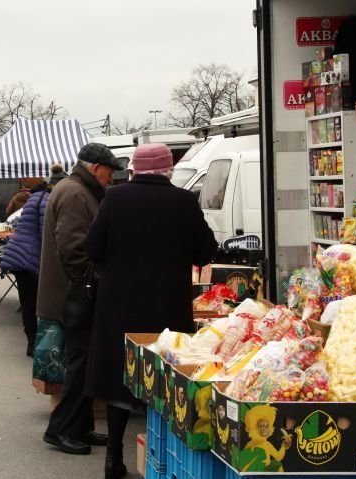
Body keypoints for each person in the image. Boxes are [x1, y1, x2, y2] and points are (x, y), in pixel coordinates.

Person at [84, 143, 217, 478]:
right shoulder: (184, 201)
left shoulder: (114, 197)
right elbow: (205, 251)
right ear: (168, 169)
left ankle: (113, 458)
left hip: (119, 302)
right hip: (167, 303)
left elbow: (92, 247)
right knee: (167, 375)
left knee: (120, 377)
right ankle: (168, 455)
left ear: (135, 169)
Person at [39, 143, 122, 455]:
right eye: (109, 172)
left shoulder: (75, 188)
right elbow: (73, 248)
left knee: (85, 361)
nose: (111, 178)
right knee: (82, 363)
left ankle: (80, 427)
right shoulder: (75, 192)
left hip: (73, 289)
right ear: (94, 168)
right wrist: (91, 280)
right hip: (73, 292)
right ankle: (60, 430)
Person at [0, 176, 63, 356]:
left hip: (20, 255)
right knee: (35, 303)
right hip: (29, 257)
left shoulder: (37, 198)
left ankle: (32, 341)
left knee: (28, 302)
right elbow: (46, 233)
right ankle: (35, 343)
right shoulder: (46, 200)